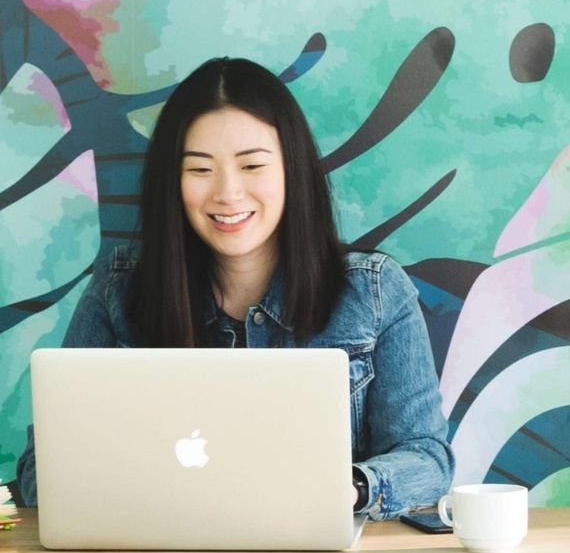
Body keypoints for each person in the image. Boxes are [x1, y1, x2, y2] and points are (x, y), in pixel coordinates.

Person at [16, 57, 454, 519]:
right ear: (173, 180)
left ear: (292, 170)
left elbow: (427, 458)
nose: (227, 193)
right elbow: (39, 471)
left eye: (252, 166)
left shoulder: (375, 292)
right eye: (200, 170)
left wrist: (347, 489)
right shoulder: (119, 287)